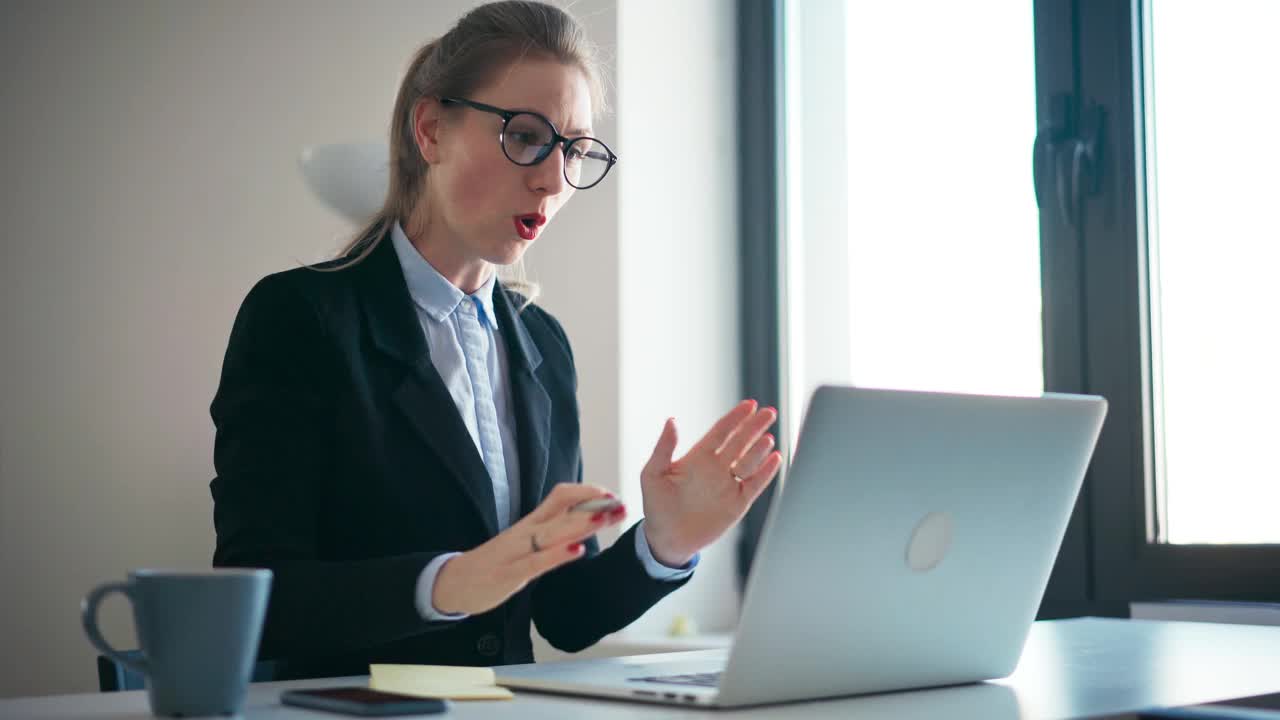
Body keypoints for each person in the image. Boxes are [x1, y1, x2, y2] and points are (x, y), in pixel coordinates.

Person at [209, 0, 780, 679]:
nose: (553, 178)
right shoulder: (302, 318)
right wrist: (451, 582)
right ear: (430, 129)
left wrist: (664, 544)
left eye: (573, 149)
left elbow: (561, 617)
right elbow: (259, 596)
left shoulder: (543, 346)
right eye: (526, 137)